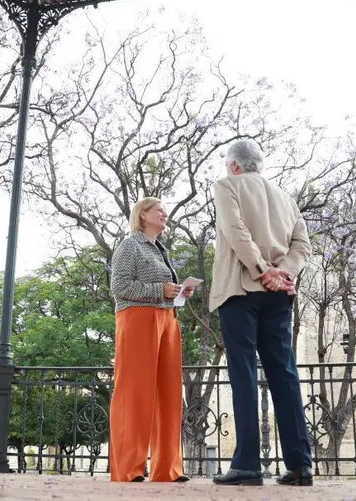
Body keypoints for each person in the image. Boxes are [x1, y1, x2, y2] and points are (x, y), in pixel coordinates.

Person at [208, 140, 314, 487]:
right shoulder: (285, 196)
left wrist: (260, 270)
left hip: (240, 288)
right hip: (279, 295)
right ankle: (300, 464)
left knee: (243, 373)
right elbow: (303, 245)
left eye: (228, 164)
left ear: (235, 166)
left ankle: (248, 464)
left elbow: (235, 232)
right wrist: (283, 272)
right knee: (284, 374)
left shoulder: (226, 186)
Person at [108, 197, 193, 483]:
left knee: (169, 393)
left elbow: (162, 289)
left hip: (167, 320)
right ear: (142, 215)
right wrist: (161, 289)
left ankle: (167, 468)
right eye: (159, 209)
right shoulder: (129, 245)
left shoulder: (161, 249)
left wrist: (178, 292)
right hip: (137, 319)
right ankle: (128, 467)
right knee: (134, 392)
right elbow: (118, 287)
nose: (164, 213)